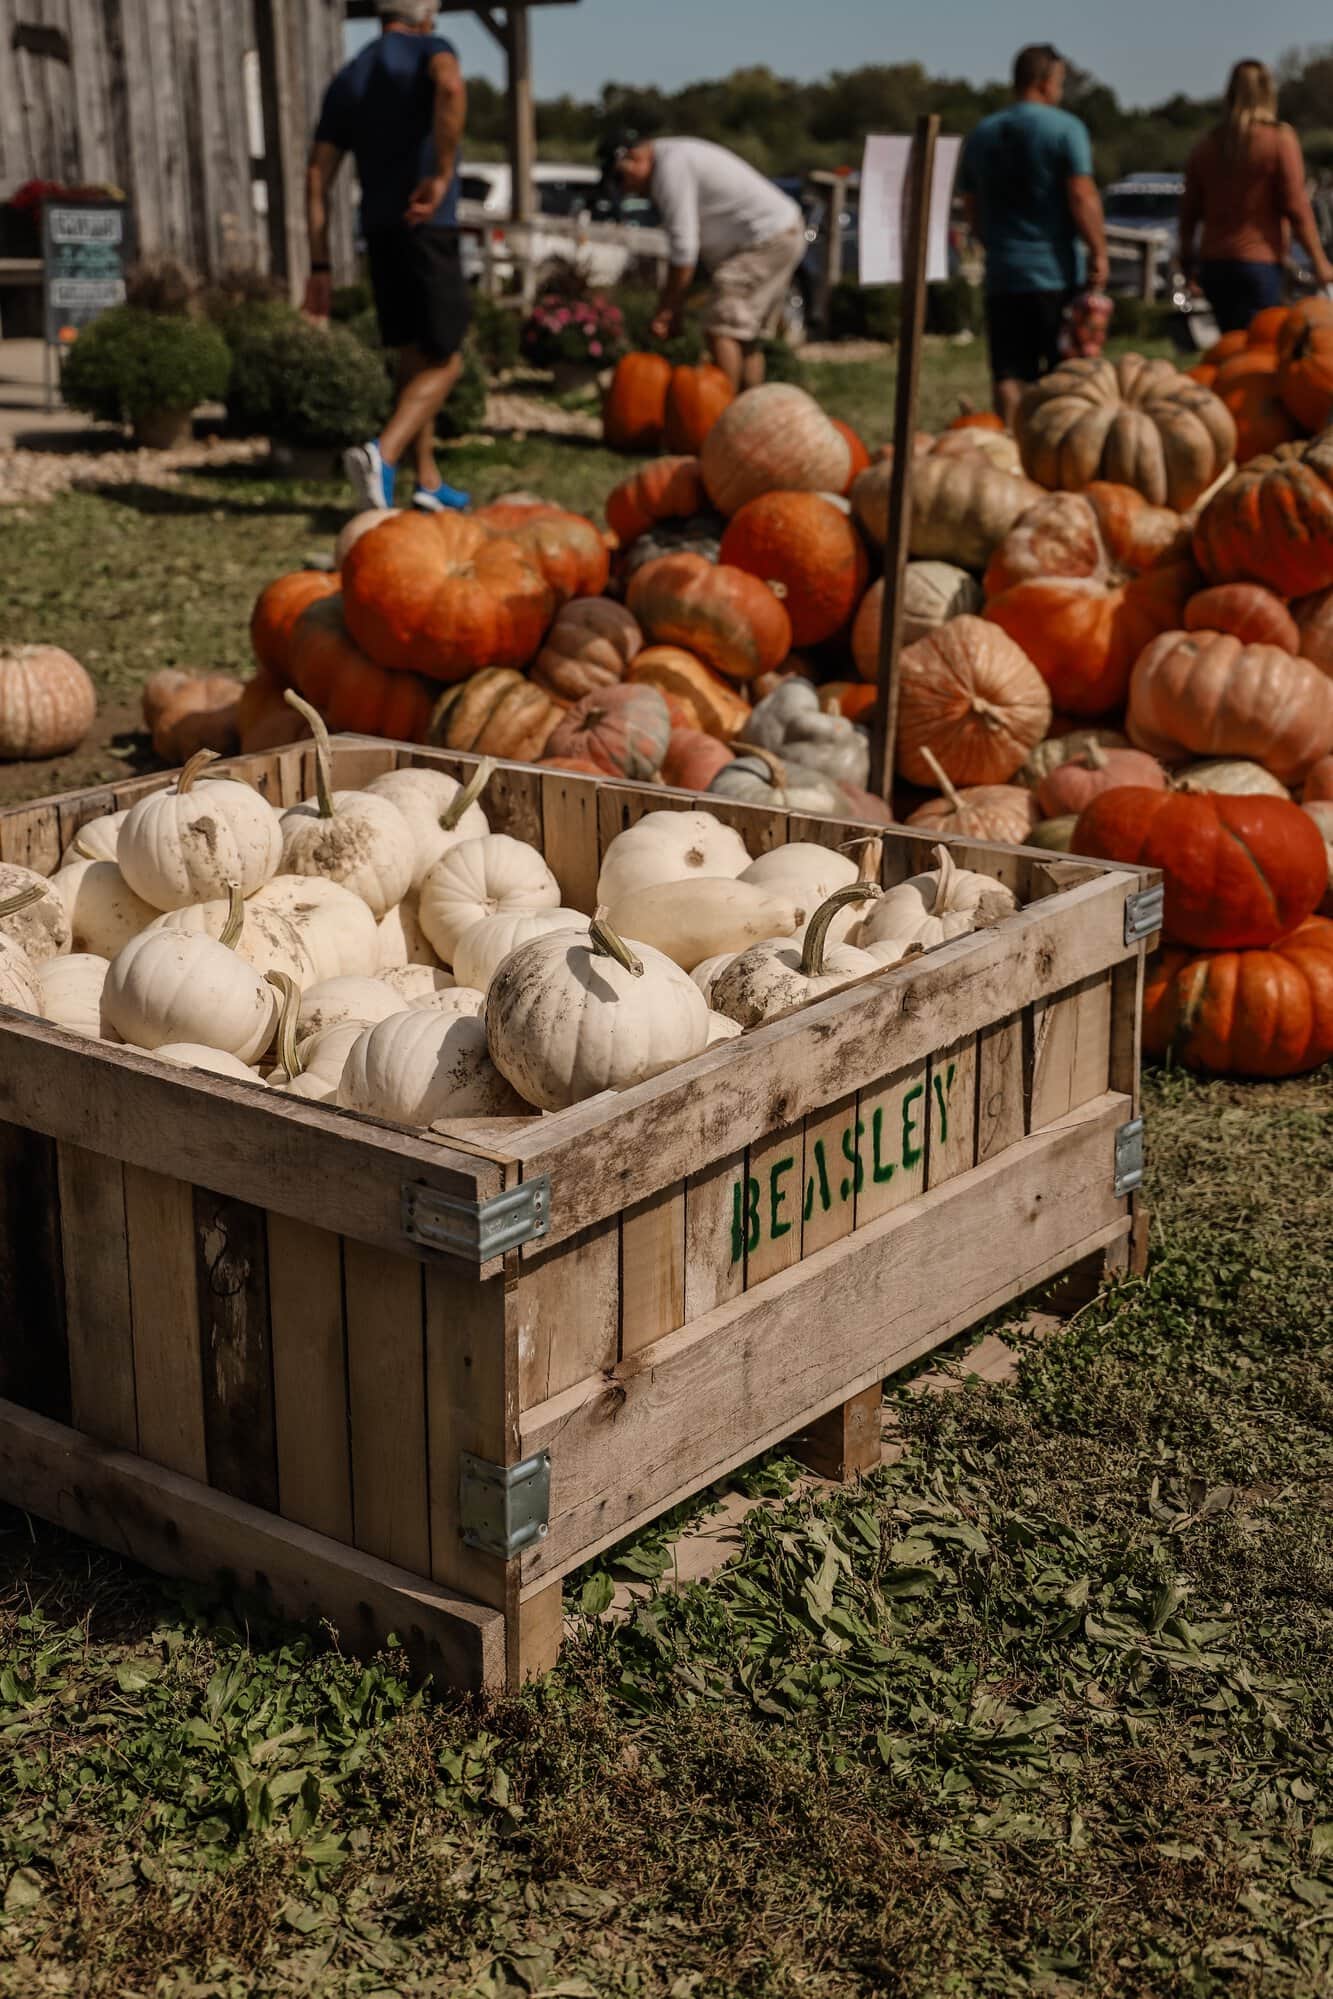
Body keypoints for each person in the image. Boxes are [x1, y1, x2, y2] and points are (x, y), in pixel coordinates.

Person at [305, 0, 470, 513]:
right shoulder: (430, 50)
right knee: (447, 359)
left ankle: (426, 479)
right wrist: (442, 174)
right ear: (423, 14)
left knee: (412, 354)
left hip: (379, 232)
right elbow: (451, 87)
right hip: (427, 227)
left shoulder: (352, 75)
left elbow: (317, 176)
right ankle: (384, 452)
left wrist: (320, 265)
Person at [959, 44, 1108, 427]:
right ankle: (1061, 442)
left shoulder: (982, 134)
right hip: (1055, 271)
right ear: (1045, 83)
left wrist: (991, 241)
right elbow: (1081, 195)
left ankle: (1011, 444)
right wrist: (1099, 251)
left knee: (1009, 373)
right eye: (1059, 82)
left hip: (1004, 272)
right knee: (1067, 373)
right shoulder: (1065, 129)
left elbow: (970, 202)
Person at [607, 135, 806, 390]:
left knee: (721, 329)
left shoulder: (670, 168)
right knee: (743, 337)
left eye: (622, 178)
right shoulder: (675, 156)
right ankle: (749, 414)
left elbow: (684, 248)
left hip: (765, 240)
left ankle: (726, 415)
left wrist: (668, 309)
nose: (627, 190)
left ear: (636, 158)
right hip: (778, 234)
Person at [1180, 61, 1333, 334]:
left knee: (1230, 344)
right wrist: (1319, 260)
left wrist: (1186, 258)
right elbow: (1295, 206)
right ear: (1267, 92)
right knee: (1257, 349)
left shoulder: (1207, 144)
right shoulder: (1278, 139)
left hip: (1214, 263)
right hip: (1258, 261)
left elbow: (1189, 211)